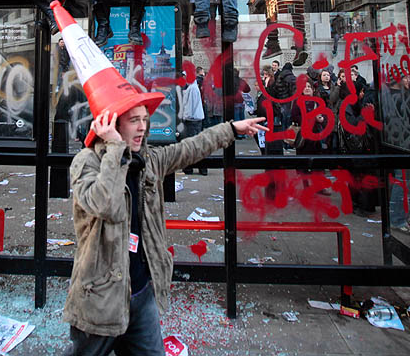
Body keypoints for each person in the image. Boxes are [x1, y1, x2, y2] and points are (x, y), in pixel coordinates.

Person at [65, 107, 265, 355]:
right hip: (100, 299)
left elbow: (190, 148)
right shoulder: (87, 162)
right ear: (113, 125)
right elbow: (102, 204)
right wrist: (115, 149)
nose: (142, 127)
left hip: (141, 294)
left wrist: (232, 129)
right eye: (134, 121)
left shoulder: (149, 160)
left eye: (144, 120)